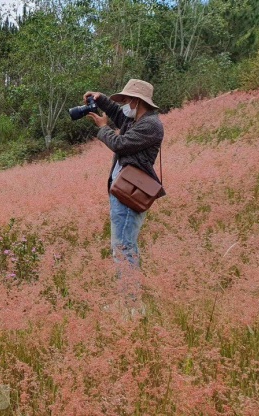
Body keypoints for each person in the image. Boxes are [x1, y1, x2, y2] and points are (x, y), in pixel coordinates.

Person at [84, 79, 164, 311]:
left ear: (137, 102)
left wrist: (102, 128)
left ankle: (130, 306)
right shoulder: (136, 119)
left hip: (131, 193)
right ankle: (129, 300)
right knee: (123, 246)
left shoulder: (151, 126)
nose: (126, 104)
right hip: (123, 190)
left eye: (128, 100)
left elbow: (120, 144)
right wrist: (101, 99)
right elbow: (120, 116)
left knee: (124, 248)